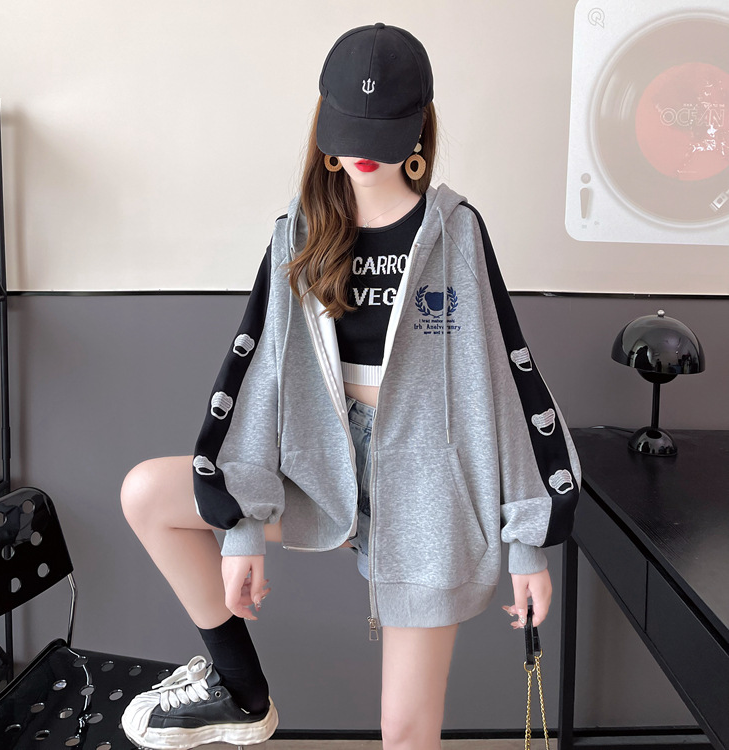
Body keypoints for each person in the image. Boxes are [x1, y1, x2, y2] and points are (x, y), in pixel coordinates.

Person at [119, 22, 582, 750]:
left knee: (405, 731)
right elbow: (261, 379)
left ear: (419, 129)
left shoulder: (455, 232)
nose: (364, 150)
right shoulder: (298, 235)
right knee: (148, 494)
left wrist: (528, 541)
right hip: (319, 472)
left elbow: (503, 380)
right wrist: (242, 526)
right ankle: (239, 690)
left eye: (383, 132)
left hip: (429, 489)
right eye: (350, 129)